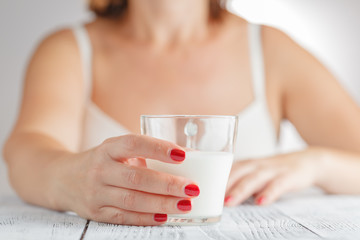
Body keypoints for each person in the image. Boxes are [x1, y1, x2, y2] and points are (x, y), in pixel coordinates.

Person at [3, 0, 360, 226]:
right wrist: (71, 179)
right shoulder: (69, 49)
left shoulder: (270, 49)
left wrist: (316, 164)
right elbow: (26, 152)